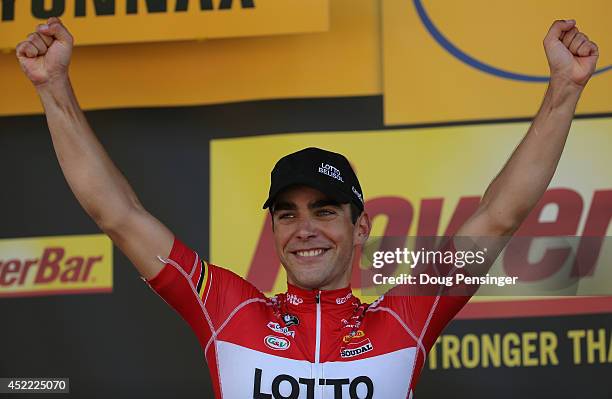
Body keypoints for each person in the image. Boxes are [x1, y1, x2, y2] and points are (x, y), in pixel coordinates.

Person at [17, 17, 598, 399]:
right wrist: (53, 87)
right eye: (287, 213)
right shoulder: (227, 310)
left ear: (359, 225)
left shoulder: (405, 316)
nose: (305, 229)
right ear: (272, 228)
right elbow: (117, 214)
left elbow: (499, 215)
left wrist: (565, 90)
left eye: (324, 209)